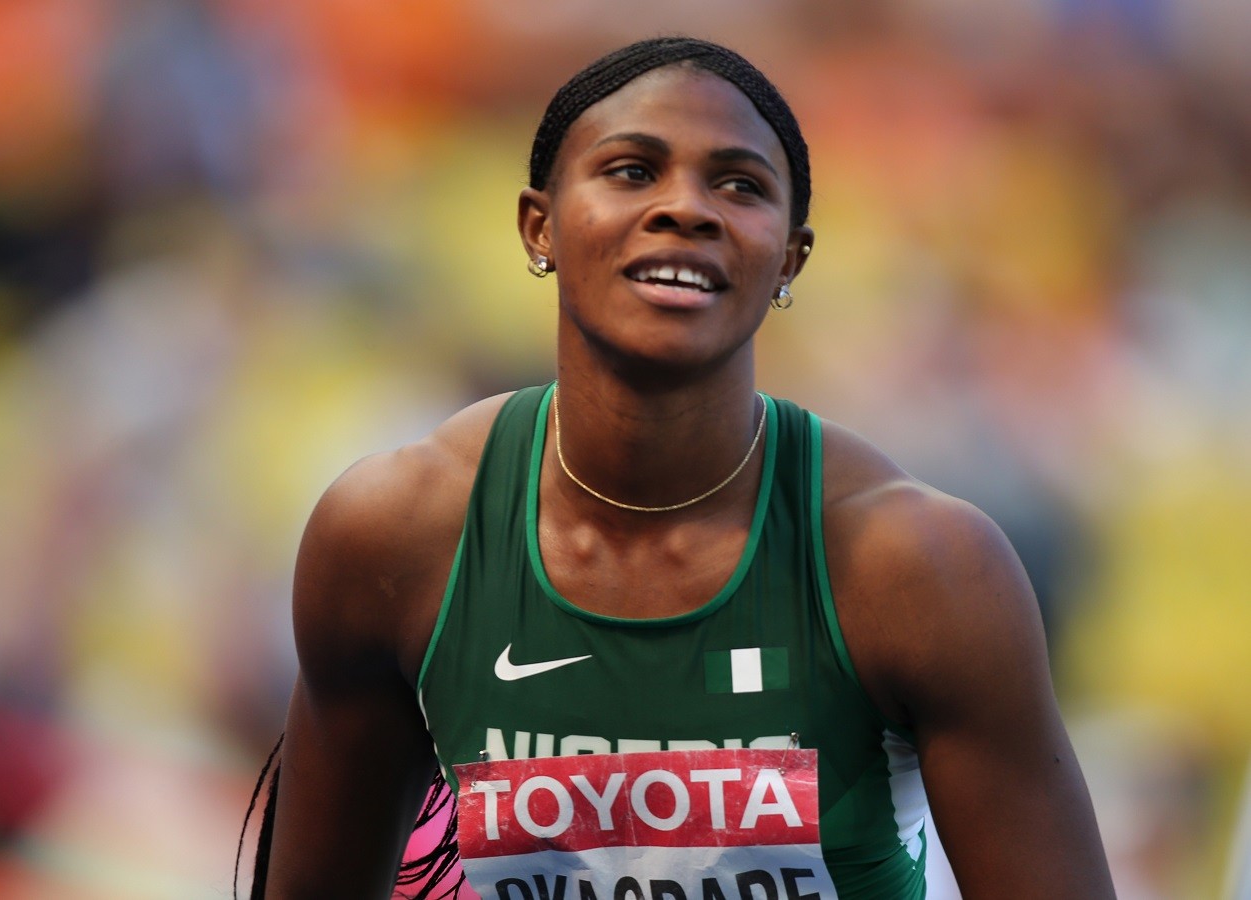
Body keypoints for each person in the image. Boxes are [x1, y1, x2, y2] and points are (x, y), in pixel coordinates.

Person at [255, 37, 1115, 899]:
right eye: (631, 170)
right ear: (539, 224)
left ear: (790, 258)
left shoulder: (920, 567)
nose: (685, 209)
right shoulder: (396, 537)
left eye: (740, 185)